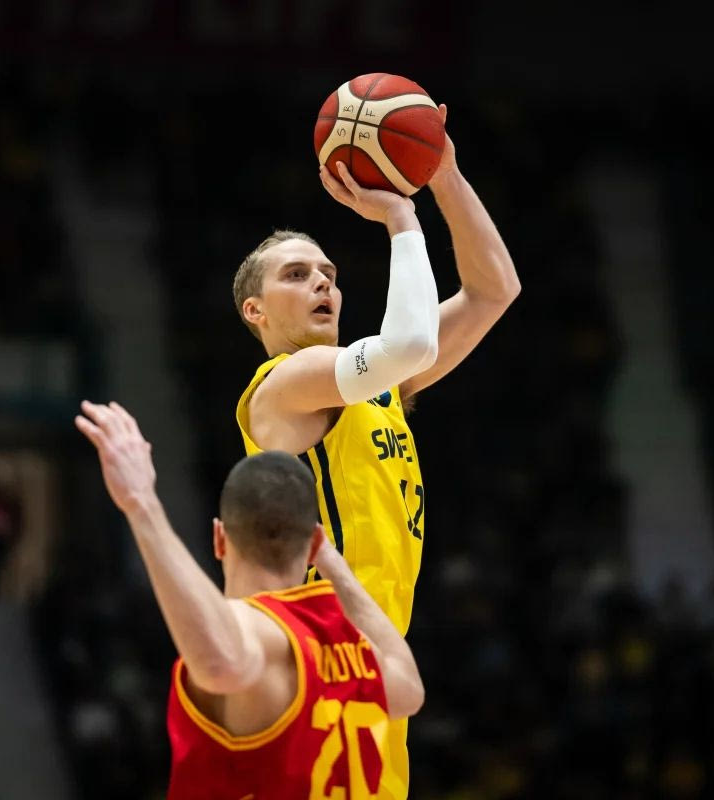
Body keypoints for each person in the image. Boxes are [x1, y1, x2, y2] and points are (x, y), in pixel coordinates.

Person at [233, 106, 519, 795]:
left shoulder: (379, 389)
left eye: (328, 272)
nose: (322, 282)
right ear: (255, 311)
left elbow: (494, 290)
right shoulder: (281, 385)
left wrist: (444, 174)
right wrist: (400, 217)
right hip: (313, 660)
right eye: (296, 274)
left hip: (375, 660)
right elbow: (409, 343)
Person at [75, 400, 424, 798]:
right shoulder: (346, 642)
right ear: (313, 543)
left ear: (219, 539)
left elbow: (221, 663)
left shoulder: (256, 630)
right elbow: (409, 688)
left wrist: (142, 505)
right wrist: (332, 562)